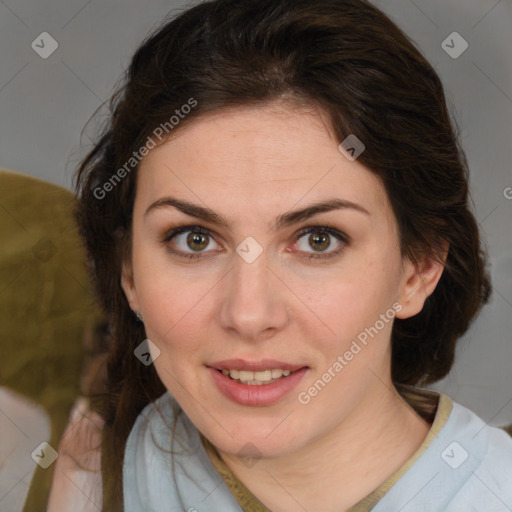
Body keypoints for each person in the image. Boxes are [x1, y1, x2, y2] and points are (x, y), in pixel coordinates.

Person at [47, 0, 512, 510]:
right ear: (129, 271)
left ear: (418, 268)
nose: (248, 314)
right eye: (194, 239)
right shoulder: (89, 467)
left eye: (318, 240)